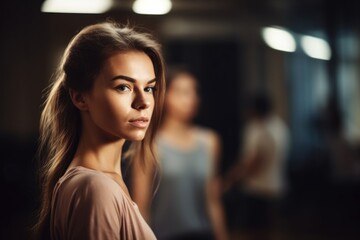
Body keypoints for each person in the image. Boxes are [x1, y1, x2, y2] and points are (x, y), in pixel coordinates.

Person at [33, 21, 166, 240]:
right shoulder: (95, 188)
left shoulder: (97, 182)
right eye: (123, 87)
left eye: (149, 88)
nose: (144, 102)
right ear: (79, 97)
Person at [131, 67, 228, 240]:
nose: (191, 98)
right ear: (164, 97)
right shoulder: (150, 145)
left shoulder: (210, 141)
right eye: (182, 92)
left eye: (194, 92)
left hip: (204, 234)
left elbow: (213, 200)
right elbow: (141, 207)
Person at [225, 91, 290, 240]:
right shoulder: (281, 127)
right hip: (277, 188)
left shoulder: (256, 128)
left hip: (257, 190)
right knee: (270, 231)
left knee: (253, 233)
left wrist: (230, 179)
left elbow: (252, 162)